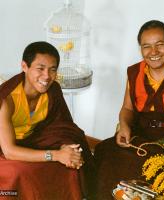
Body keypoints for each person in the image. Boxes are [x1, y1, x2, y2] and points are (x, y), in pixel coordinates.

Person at [94, 20, 164, 200]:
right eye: (147, 46)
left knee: (154, 171)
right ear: (141, 49)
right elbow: (127, 108)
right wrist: (125, 126)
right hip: (141, 133)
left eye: (160, 45)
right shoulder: (135, 72)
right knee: (106, 152)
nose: (154, 52)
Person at [0, 41, 95, 200]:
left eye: (52, 70)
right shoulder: (6, 100)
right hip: (5, 148)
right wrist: (56, 155)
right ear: (24, 66)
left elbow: (62, 126)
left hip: (33, 139)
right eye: (40, 69)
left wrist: (66, 148)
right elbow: (10, 151)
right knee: (21, 173)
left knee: (69, 162)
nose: (47, 76)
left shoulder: (53, 90)